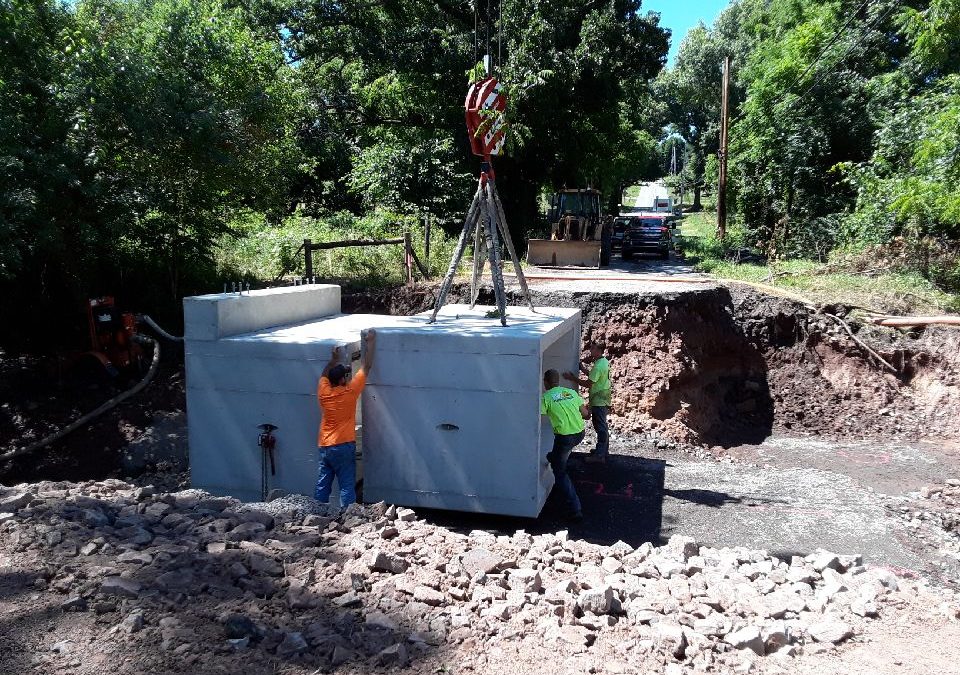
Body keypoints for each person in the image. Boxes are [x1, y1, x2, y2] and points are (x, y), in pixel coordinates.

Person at [315, 329, 376, 507]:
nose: (348, 377)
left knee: (323, 483)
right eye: (346, 375)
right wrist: (371, 342)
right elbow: (367, 366)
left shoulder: (324, 391)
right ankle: (348, 517)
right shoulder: (349, 393)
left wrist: (332, 360)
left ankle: (317, 514)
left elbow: (323, 375)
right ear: (342, 380)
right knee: (347, 485)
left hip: (325, 446)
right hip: (343, 445)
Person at [540, 369, 588, 522]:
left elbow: (534, 416)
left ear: (545, 382)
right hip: (580, 433)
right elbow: (585, 413)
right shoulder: (570, 393)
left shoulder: (545, 398)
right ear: (558, 382)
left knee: (560, 472)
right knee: (558, 455)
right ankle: (553, 456)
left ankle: (575, 509)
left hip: (565, 438)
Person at [564, 340, 611, 464]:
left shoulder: (599, 365)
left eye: (593, 348)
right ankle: (603, 451)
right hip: (603, 397)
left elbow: (588, 383)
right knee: (602, 426)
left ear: (599, 350)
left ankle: (600, 456)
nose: (591, 350)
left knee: (600, 427)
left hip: (599, 400)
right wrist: (583, 369)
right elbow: (593, 376)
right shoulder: (603, 362)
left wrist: (571, 378)